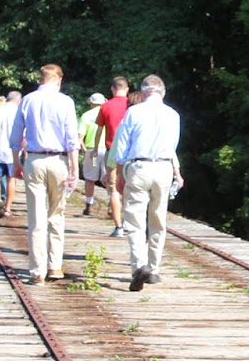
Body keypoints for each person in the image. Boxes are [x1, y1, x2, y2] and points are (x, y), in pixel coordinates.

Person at [109, 74, 182, 292]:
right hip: (163, 168)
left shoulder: (133, 112)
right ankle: (154, 269)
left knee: (135, 219)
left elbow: (121, 147)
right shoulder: (173, 115)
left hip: (139, 167)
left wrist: (119, 175)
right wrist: (177, 173)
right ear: (163, 93)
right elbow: (172, 146)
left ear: (142, 93)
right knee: (158, 219)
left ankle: (138, 265)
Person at [9, 65, 80, 284]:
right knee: (57, 215)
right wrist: (74, 169)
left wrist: (16, 163)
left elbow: (15, 135)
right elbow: (71, 139)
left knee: (36, 217)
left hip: (34, 159)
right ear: (59, 80)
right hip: (59, 160)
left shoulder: (28, 100)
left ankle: (37, 271)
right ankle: (55, 266)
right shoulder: (66, 102)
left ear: (40, 79)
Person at [96, 77, 133, 237]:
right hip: (132, 155)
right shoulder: (133, 105)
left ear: (112, 89)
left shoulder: (105, 106)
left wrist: (96, 148)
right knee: (130, 190)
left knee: (114, 190)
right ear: (127, 88)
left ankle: (118, 227)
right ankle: (129, 222)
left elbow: (99, 130)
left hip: (112, 150)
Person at [77, 92, 107, 215]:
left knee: (90, 178)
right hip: (106, 150)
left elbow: (79, 137)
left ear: (91, 103)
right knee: (108, 179)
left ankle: (89, 204)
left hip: (91, 150)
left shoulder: (86, 116)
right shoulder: (107, 113)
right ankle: (112, 205)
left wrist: (83, 149)